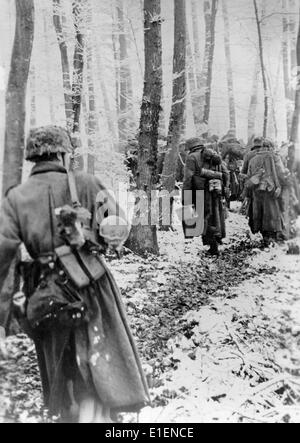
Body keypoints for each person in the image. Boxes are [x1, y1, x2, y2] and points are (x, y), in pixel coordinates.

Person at [0, 126, 149, 423]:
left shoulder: (15, 198)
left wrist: (7, 313)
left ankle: (72, 415)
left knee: (59, 364)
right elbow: (119, 230)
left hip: (43, 290)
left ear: (33, 157)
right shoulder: (87, 182)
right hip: (90, 283)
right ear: (61, 153)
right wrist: (91, 237)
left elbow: (3, 257)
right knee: (101, 357)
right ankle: (102, 416)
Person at [182, 137, 230, 256]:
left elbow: (188, 178)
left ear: (190, 147)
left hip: (199, 191)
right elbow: (225, 173)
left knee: (203, 217)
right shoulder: (213, 154)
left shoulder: (192, 157)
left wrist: (186, 195)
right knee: (214, 216)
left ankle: (213, 246)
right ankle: (215, 242)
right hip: (215, 190)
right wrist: (225, 187)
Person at [244, 137, 287, 246]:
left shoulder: (253, 158)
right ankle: (272, 238)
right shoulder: (275, 157)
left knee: (259, 212)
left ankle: (265, 237)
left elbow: (248, 175)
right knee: (272, 213)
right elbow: (281, 174)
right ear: (270, 147)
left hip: (256, 190)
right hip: (271, 190)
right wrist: (282, 186)